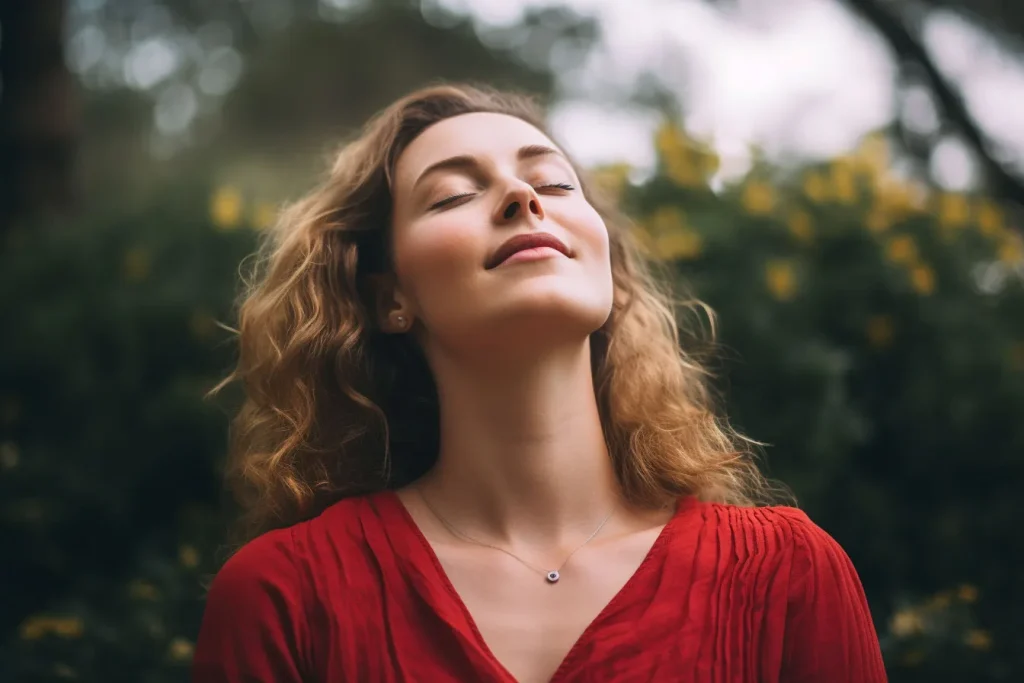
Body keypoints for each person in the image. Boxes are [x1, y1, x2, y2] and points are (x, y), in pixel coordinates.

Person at [192, 83, 887, 683]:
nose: (523, 197)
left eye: (554, 183)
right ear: (388, 298)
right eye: (453, 195)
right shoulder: (282, 594)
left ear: (608, 276)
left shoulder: (787, 572)